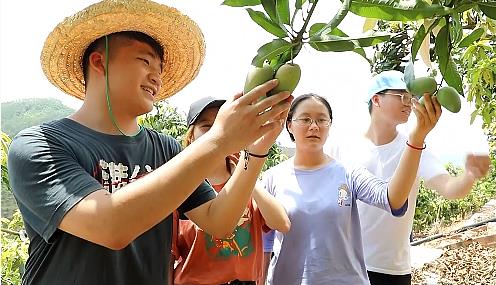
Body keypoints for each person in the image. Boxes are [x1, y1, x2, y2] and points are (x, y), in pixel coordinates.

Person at [6, 1, 292, 284]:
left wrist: (256, 150)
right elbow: (110, 226)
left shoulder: (166, 149)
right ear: (99, 61)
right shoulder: (39, 145)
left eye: (160, 67)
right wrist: (219, 139)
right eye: (145, 61)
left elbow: (218, 221)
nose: (157, 76)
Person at [327, 70, 491, 285]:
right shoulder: (341, 147)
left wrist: (469, 175)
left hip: (391, 268)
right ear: (376, 99)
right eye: (402, 96)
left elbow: (449, 187)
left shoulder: (415, 147)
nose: (409, 103)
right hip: (344, 264)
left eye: (411, 97)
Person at [263, 92, 441, 284]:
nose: (314, 126)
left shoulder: (349, 173)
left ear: (329, 126)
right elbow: (264, 240)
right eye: (305, 119)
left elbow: (392, 199)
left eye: (322, 120)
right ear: (289, 125)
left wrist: (416, 139)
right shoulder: (273, 178)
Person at [172, 97, 291, 285]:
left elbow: (282, 223)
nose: (217, 132)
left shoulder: (245, 184)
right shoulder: (180, 187)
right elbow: (169, 256)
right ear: (191, 136)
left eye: (223, 124)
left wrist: (247, 177)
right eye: (206, 126)